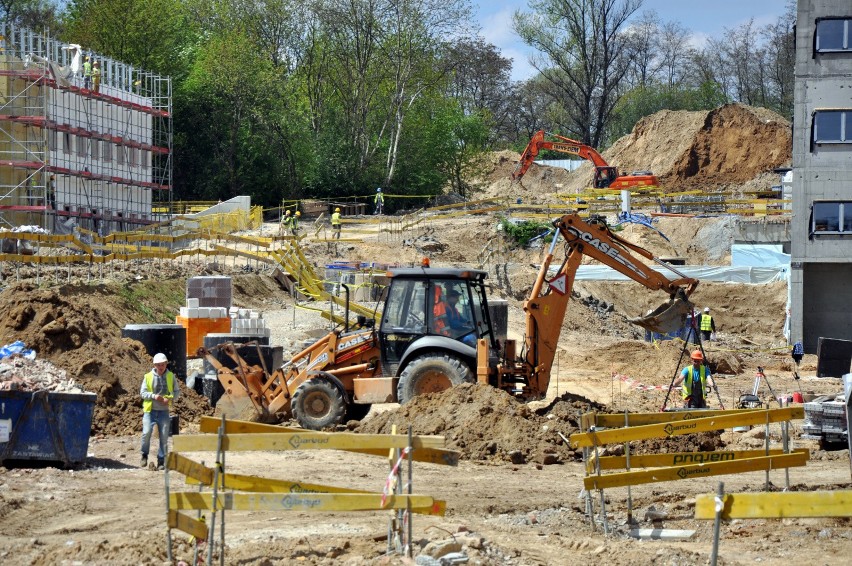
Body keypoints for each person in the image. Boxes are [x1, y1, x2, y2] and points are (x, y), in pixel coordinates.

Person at [139, 352, 179, 470]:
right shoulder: (148, 377)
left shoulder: (171, 376)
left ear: (166, 364)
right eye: (158, 365)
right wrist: (153, 396)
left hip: (164, 411)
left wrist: (170, 399)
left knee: (164, 436)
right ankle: (144, 454)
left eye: (163, 364)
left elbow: (177, 392)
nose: (161, 367)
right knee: (146, 433)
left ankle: (161, 460)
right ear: (154, 365)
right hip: (150, 411)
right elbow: (143, 393)